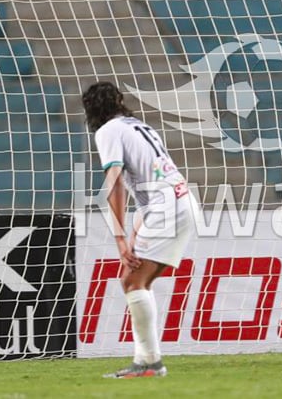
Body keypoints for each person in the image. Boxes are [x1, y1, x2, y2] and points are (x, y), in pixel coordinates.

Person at [82, 81, 200, 379]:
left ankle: (150, 363)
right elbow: (147, 188)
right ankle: (146, 361)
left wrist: (120, 239)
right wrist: (133, 238)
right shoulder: (139, 126)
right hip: (181, 202)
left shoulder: (106, 131)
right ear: (119, 101)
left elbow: (115, 184)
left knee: (133, 282)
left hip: (167, 208)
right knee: (135, 281)